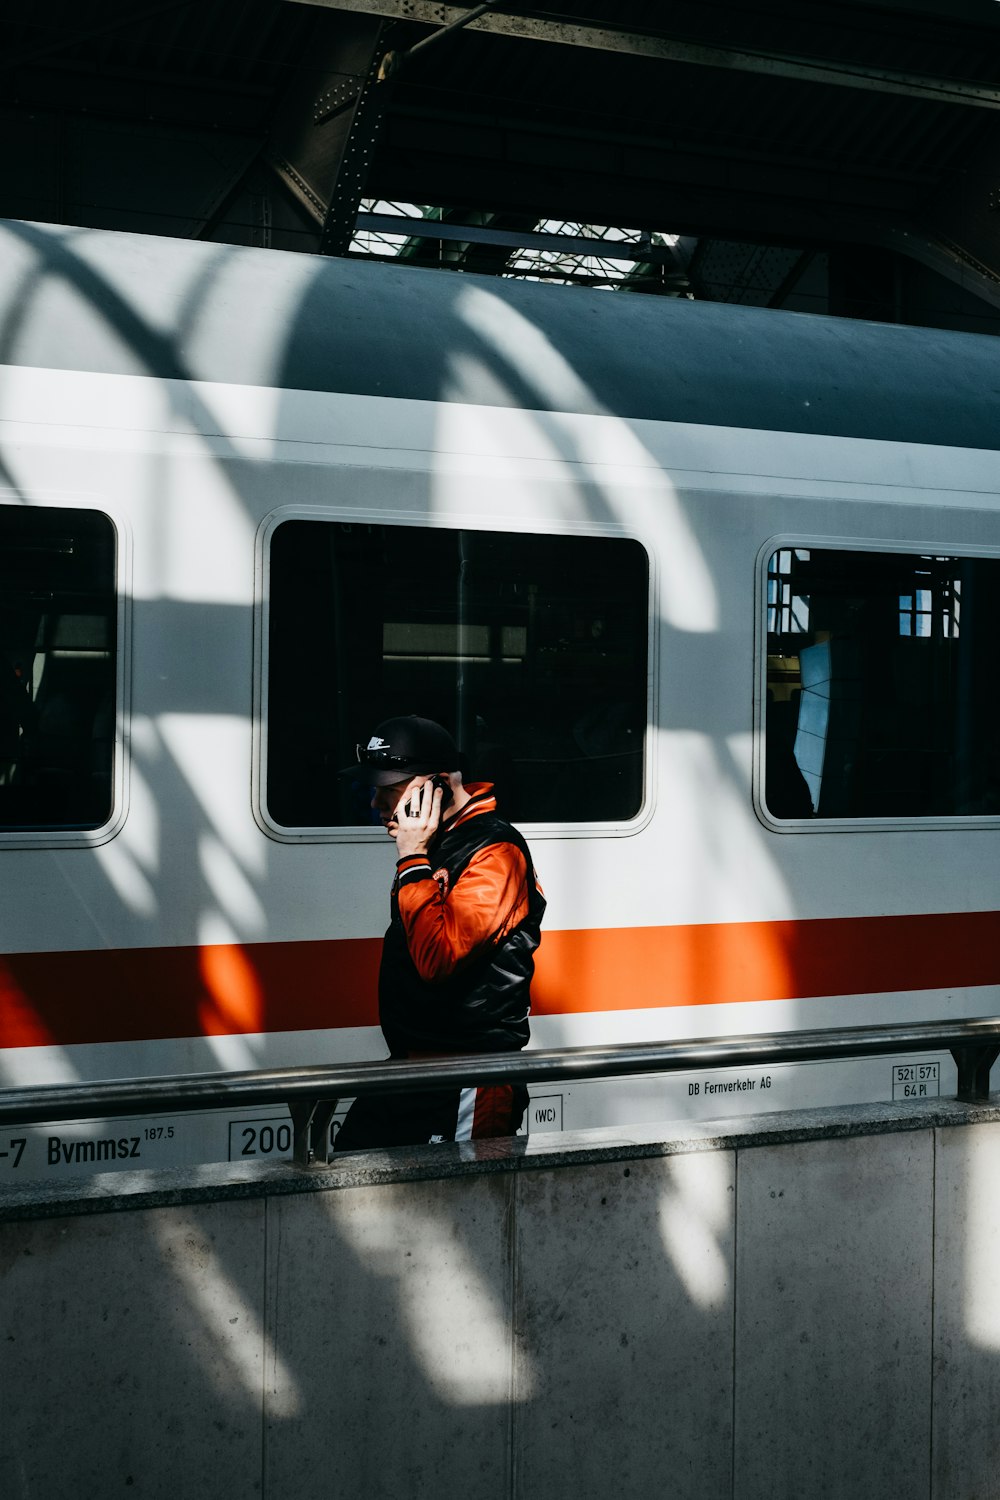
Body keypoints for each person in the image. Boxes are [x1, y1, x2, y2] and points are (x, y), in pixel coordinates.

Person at [335, 714, 545, 1151]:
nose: (375, 804)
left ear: (438, 785)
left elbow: (440, 958)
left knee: (459, 1212)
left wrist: (412, 857)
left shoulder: (497, 851)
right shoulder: (437, 845)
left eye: (388, 791)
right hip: (410, 1068)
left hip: (469, 1078)